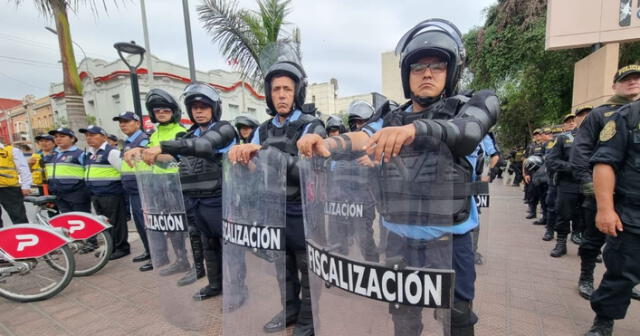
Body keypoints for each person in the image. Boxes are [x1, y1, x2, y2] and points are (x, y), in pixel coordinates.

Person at [297, 18, 498, 336]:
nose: (427, 73)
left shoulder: (473, 104)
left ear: (452, 71)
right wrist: (326, 144)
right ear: (407, 75)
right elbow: (362, 138)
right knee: (403, 321)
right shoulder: (390, 118)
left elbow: (469, 133)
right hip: (399, 243)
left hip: (449, 242)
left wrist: (415, 130)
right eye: (418, 67)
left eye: (437, 66)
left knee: (457, 322)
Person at [229, 55, 326, 336]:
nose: (282, 94)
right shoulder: (261, 130)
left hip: (303, 209)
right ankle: (290, 309)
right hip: (273, 208)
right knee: (281, 266)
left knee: (307, 269)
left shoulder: (312, 125)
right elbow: (254, 170)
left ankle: (309, 320)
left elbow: (307, 170)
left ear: (297, 92)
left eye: (287, 88)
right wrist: (243, 160)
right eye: (276, 89)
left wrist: (265, 154)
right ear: (269, 95)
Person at [141, 83, 238, 300]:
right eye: (194, 107)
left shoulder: (224, 129)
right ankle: (215, 285)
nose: (199, 111)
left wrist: (163, 147)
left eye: (204, 106)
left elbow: (204, 146)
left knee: (229, 248)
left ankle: (238, 289)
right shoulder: (188, 134)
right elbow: (172, 159)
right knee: (208, 246)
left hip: (220, 198)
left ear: (214, 107)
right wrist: (144, 153)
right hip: (194, 200)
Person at [571, 64, 640, 303]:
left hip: (635, 196)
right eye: (626, 79)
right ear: (614, 85)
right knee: (593, 240)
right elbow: (580, 151)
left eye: (637, 78)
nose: (633, 82)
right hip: (604, 193)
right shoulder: (601, 115)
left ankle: (624, 282)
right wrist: (588, 183)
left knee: (630, 251)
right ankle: (586, 277)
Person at [584, 97, 640, 336]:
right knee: (621, 272)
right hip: (633, 213)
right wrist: (605, 209)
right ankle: (604, 321)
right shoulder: (629, 117)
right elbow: (604, 164)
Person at [125, 89, 193, 275]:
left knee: (183, 225)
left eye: (165, 110)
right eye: (157, 111)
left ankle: (195, 263)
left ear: (173, 112)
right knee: (169, 226)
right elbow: (149, 155)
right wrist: (142, 152)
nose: (161, 113)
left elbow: (177, 157)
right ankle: (181, 259)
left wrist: (154, 156)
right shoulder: (154, 134)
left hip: (176, 184)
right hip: (157, 183)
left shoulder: (180, 132)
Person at [80, 125, 130, 260]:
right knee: (105, 223)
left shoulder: (111, 152)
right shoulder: (90, 153)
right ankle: (111, 247)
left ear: (104, 137)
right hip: (97, 194)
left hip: (111, 193)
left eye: (93, 135)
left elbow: (124, 171)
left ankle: (121, 248)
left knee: (116, 222)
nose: (89, 138)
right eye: (87, 136)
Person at [545, 108, 589, 254]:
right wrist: (572, 167)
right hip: (568, 183)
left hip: (590, 183)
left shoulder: (597, 136)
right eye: (581, 115)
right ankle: (561, 243)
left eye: (588, 115)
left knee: (588, 216)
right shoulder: (564, 138)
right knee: (563, 214)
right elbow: (551, 161)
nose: (585, 118)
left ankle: (590, 249)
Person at [113, 111, 153, 270]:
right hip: (133, 189)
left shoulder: (143, 140)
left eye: (127, 121)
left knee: (147, 224)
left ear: (137, 123)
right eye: (120, 122)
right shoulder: (128, 142)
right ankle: (148, 251)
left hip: (143, 188)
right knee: (139, 223)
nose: (123, 124)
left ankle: (155, 254)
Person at [46, 128, 92, 214]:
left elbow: (89, 173)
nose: (58, 139)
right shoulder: (54, 155)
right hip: (59, 195)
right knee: (66, 220)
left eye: (62, 136)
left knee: (82, 219)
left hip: (77, 195)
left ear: (72, 139)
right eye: (56, 137)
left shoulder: (80, 154)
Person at [0, 141, 31, 227]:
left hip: (10, 189)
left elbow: (23, 168)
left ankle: (24, 236)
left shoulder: (12, 151)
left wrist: (26, 186)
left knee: (18, 217)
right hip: (9, 189)